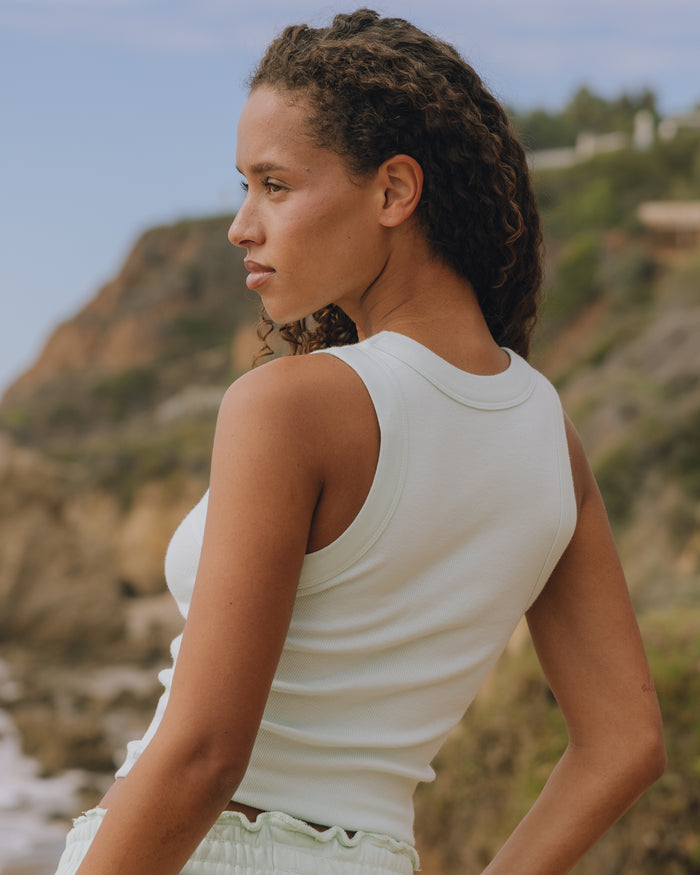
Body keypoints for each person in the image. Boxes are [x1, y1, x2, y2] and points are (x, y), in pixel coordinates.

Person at [54, 9, 665, 875]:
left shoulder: (290, 405)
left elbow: (204, 755)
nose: (242, 224)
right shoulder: (548, 436)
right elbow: (626, 739)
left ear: (392, 192)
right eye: (244, 186)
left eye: (274, 184)